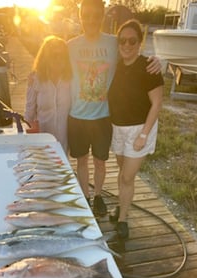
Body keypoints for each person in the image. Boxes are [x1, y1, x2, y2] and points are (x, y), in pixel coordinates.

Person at [67, 0, 161, 217]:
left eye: (95, 15)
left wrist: (158, 60)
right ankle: (85, 197)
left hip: (103, 117)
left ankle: (98, 195)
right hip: (77, 116)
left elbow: (134, 56)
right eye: (86, 15)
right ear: (80, 16)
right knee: (81, 161)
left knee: (100, 163)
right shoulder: (70, 45)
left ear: (102, 17)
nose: (90, 20)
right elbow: (50, 63)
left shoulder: (113, 43)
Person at [108, 19, 164, 238]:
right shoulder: (116, 65)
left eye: (132, 40)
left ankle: (123, 221)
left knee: (127, 178)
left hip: (140, 129)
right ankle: (121, 207)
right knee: (122, 173)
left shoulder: (148, 67)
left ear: (140, 42)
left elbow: (157, 103)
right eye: (122, 40)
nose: (127, 45)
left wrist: (143, 135)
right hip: (118, 129)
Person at [24, 35, 72, 153]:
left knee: (62, 169)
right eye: (53, 55)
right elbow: (29, 110)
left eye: (62, 55)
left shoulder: (71, 79)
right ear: (45, 57)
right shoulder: (35, 79)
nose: (58, 59)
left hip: (64, 140)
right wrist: (26, 133)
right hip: (42, 138)